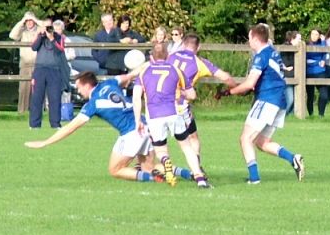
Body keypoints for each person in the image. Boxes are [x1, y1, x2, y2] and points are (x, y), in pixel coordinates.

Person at [23, 71, 159, 184]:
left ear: (87, 85)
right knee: (148, 167)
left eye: (79, 87)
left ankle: (155, 178)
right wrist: (151, 63)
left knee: (115, 170)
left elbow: (70, 127)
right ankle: (174, 173)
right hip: (145, 125)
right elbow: (130, 75)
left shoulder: (93, 104)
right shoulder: (110, 83)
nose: (78, 91)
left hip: (131, 132)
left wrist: (45, 142)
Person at [227, 23, 306, 184]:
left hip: (267, 100)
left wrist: (230, 92)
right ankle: (293, 159)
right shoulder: (272, 52)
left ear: (255, 39)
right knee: (262, 142)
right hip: (279, 102)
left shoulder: (261, 56)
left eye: (249, 38)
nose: (248, 41)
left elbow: (250, 83)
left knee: (245, 138)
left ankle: (254, 178)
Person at [169, 31, 239, 187]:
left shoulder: (171, 56)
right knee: (191, 139)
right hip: (180, 105)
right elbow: (225, 77)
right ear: (198, 46)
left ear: (182, 44)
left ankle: (145, 166)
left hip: (162, 103)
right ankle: (197, 170)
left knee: (159, 140)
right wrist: (236, 88)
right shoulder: (199, 62)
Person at [128, 41, 187, 185]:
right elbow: (189, 93)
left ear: (151, 56)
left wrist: (137, 120)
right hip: (172, 112)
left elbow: (136, 97)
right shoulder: (173, 68)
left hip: (153, 115)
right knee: (186, 145)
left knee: (157, 151)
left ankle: (165, 164)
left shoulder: (145, 70)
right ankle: (192, 173)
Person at [29, 16, 68, 129]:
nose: (47, 28)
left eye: (49, 26)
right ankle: (35, 124)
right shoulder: (39, 36)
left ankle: (55, 124)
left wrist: (51, 38)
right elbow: (33, 47)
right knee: (37, 98)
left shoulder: (58, 37)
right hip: (40, 69)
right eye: (45, 26)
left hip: (54, 70)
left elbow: (60, 51)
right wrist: (41, 35)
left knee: (55, 98)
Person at [8, 10, 42, 114]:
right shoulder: (22, 31)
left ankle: (37, 112)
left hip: (38, 64)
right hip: (25, 64)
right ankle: (22, 112)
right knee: (23, 89)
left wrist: (35, 19)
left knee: (38, 89)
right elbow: (12, 35)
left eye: (31, 21)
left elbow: (48, 28)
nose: (29, 23)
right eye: (27, 21)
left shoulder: (39, 30)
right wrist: (22, 21)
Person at [91, 12, 126, 77]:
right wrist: (100, 60)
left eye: (110, 20)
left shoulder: (121, 33)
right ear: (103, 23)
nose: (109, 22)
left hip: (117, 68)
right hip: (103, 68)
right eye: (106, 21)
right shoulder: (98, 35)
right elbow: (94, 50)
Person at [304, 27, 327, 116]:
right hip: (309, 72)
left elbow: (325, 54)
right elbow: (306, 60)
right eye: (312, 34)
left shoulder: (322, 44)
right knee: (310, 95)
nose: (314, 36)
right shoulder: (306, 44)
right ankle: (311, 115)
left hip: (320, 71)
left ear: (319, 36)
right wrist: (317, 62)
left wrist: (324, 41)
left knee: (324, 95)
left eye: (316, 34)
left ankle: (321, 114)